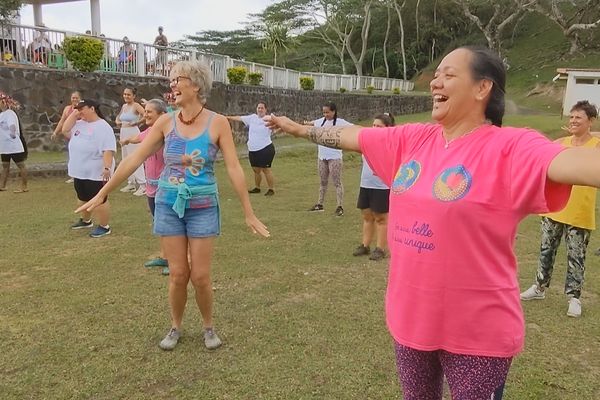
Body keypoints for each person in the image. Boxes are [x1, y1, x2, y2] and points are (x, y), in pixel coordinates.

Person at [264, 45, 600, 400]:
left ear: (482, 88)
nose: (436, 82)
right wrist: (300, 130)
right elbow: (353, 136)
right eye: (436, 74)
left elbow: (573, 163)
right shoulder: (412, 139)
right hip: (411, 321)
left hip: (478, 334)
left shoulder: (511, 147)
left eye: (449, 75)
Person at [76, 60, 269, 351]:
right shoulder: (166, 122)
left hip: (203, 205)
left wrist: (249, 213)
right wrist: (101, 193)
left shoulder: (218, 123)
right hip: (168, 203)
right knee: (178, 274)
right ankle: (176, 326)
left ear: (196, 84)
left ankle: (208, 326)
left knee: (201, 276)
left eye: (177, 79)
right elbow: (133, 159)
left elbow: (233, 168)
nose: (172, 85)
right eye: (171, 80)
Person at [520, 100, 599, 318]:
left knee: (576, 256)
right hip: (553, 209)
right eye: (571, 117)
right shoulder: (559, 143)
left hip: (579, 212)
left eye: (578, 118)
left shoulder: (596, 146)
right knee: (546, 250)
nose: (573, 121)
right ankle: (539, 287)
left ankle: (574, 297)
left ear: (590, 121)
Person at [120, 98, 170, 275]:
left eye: (149, 111)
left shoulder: (169, 135)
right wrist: (126, 141)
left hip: (167, 187)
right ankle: (165, 256)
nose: (145, 114)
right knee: (159, 223)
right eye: (145, 111)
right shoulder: (149, 132)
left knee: (171, 225)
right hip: (151, 187)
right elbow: (137, 138)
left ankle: (175, 260)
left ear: (162, 115)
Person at [58, 99, 116, 238]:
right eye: (77, 109)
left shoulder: (103, 127)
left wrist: (107, 167)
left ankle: (104, 226)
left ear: (92, 108)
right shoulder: (79, 124)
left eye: (82, 108)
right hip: (80, 170)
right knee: (82, 196)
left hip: (96, 171)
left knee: (99, 199)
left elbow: (108, 149)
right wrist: (74, 114)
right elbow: (65, 130)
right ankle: (86, 220)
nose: (79, 111)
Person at [352, 113, 393, 261]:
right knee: (367, 216)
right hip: (366, 184)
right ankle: (365, 245)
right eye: (374, 125)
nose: (375, 128)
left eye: (379, 126)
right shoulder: (366, 143)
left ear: (388, 129)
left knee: (381, 218)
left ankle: (380, 249)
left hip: (381, 187)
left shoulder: (390, 145)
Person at [306, 102, 351, 216]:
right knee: (323, 182)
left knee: (337, 182)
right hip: (322, 157)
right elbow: (309, 124)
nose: (325, 114)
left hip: (335, 157)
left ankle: (339, 206)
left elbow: (353, 128)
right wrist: (305, 124)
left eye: (327, 112)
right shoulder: (320, 121)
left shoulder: (341, 122)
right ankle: (320, 204)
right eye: (324, 112)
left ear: (333, 111)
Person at [226, 102, 276, 196]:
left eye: (262, 108)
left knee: (266, 169)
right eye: (258, 108)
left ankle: (271, 189)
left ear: (265, 110)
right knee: (256, 169)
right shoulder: (252, 118)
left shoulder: (269, 119)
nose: (260, 109)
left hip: (265, 148)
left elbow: (280, 124)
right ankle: (257, 187)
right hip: (253, 149)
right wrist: (227, 117)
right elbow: (239, 118)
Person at [116, 87, 146, 196]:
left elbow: (145, 115)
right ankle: (131, 182)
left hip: (133, 132)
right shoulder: (124, 106)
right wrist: (117, 121)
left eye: (128, 95)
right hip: (123, 131)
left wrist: (137, 123)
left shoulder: (136, 105)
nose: (126, 96)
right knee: (126, 157)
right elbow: (118, 117)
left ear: (134, 96)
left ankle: (143, 185)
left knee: (135, 157)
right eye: (125, 94)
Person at [0, 91, 28, 193]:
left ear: (3, 102)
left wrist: (12, 133)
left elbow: (12, 126)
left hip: (13, 145)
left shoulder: (10, 113)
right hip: (4, 146)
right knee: (5, 166)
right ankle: (2, 185)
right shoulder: (2, 114)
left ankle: (24, 186)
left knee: (21, 165)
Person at [52, 91, 82, 183]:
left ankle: (81, 174)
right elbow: (62, 121)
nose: (75, 99)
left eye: (76, 97)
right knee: (71, 155)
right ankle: (73, 175)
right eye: (73, 97)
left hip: (80, 135)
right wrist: (55, 132)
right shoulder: (67, 109)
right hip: (69, 135)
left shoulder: (83, 108)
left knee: (81, 155)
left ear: (80, 98)